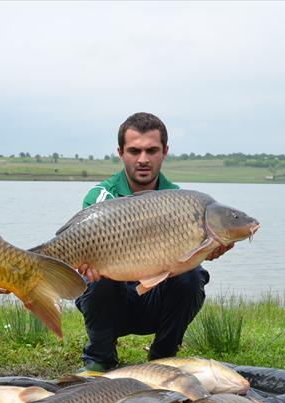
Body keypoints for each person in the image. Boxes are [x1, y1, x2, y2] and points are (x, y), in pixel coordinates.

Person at [74, 112, 232, 372]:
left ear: (165, 151)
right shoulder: (101, 196)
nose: (143, 159)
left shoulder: (181, 201)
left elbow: (187, 262)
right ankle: (100, 357)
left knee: (193, 278)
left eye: (152, 150)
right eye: (134, 151)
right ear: (121, 152)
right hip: (113, 304)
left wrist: (206, 250)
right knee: (96, 281)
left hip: (155, 304)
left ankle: (163, 357)